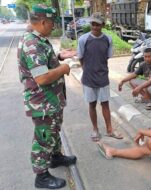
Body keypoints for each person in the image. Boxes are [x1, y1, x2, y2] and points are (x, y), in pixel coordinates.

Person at [17, 4, 77, 189]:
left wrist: (58, 56)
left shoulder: (38, 39)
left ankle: (55, 157)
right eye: (52, 23)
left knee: (53, 130)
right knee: (43, 138)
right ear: (43, 22)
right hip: (42, 102)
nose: (54, 26)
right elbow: (42, 77)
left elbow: (42, 64)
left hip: (50, 100)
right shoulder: (33, 44)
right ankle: (41, 175)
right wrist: (64, 68)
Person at [77, 12, 123, 141]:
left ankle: (109, 130)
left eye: (97, 24)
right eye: (93, 24)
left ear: (102, 25)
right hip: (88, 78)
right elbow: (81, 58)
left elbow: (107, 57)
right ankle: (95, 129)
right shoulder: (83, 39)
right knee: (92, 104)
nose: (95, 27)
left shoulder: (108, 39)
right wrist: (87, 70)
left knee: (105, 104)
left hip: (103, 77)